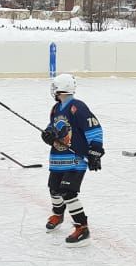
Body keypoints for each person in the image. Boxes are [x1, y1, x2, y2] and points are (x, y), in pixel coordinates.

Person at [41, 73, 104, 245]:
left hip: (75, 160)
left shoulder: (78, 107)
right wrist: (47, 135)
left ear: (61, 88)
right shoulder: (56, 108)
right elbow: (52, 127)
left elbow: (95, 128)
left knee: (68, 192)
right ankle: (58, 214)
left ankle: (82, 228)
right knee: (54, 188)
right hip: (58, 158)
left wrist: (95, 151)